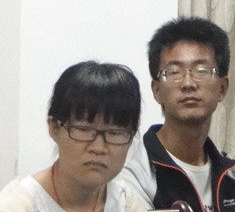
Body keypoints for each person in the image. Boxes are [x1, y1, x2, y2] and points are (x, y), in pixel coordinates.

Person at [120, 17, 235, 212]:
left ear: (222, 88)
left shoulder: (230, 176)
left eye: (202, 70)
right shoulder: (134, 171)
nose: (188, 83)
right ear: (157, 90)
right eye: (174, 72)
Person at [0, 61, 147, 211]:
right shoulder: (18, 205)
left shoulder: (127, 203)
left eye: (115, 133)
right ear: (54, 128)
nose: (98, 148)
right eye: (84, 129)